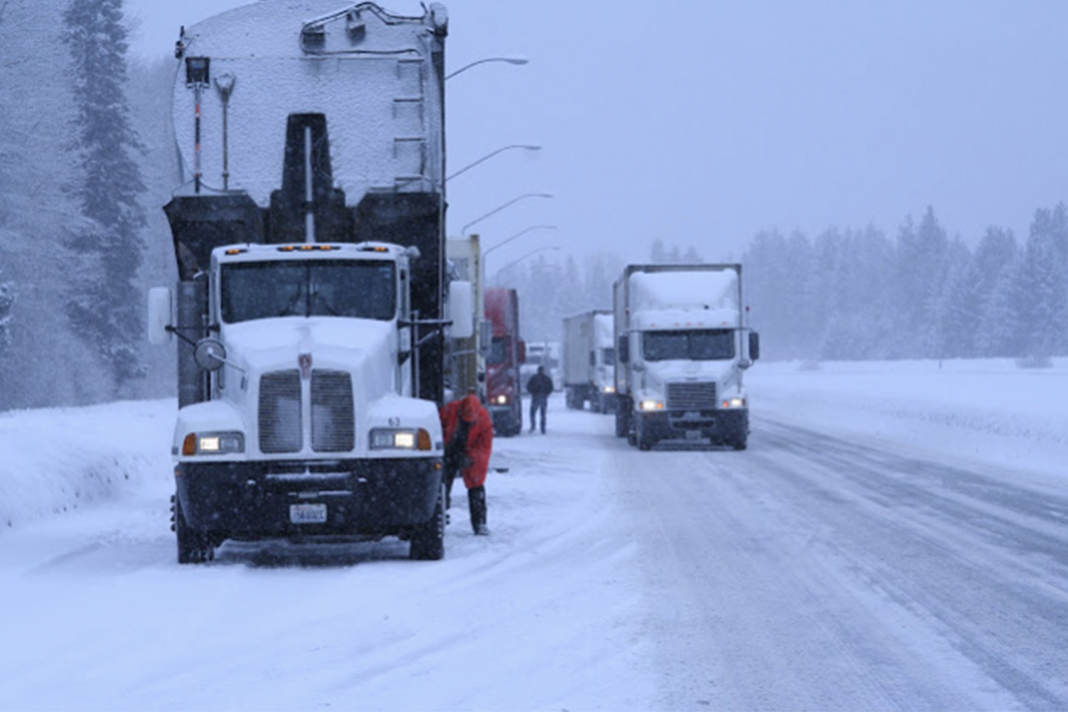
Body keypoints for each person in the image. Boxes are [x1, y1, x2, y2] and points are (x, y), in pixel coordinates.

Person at [439, 391, 494, 535]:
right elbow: (435, 427)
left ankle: (479, 523)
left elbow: (484, 447)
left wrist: (471, 458)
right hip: (448, 451)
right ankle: (439, 516)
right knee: (442, 485)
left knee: (476, 486)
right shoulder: (448, 410)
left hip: (469, 454)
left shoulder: (484, 420)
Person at [526, 365, 554, 434]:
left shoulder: (536, 378)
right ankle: (540, 428)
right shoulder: (545, 378)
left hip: (538, 397)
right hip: (539, 397)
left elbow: (528, 386)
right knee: (541, 414)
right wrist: (545, 393)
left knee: (536, 413)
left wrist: (533, 391)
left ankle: (537, 427)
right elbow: (551, 388)